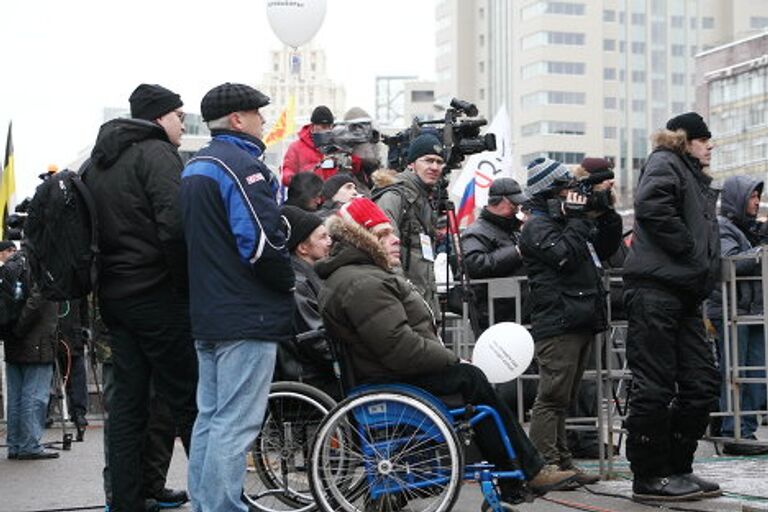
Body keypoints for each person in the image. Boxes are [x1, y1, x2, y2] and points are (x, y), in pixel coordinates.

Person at [316, 197, 578, 506]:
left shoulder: (360, 277)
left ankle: (519, 474)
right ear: (363, 239)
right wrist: (451, 358)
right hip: (390, 378)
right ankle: (525, 471)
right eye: (384, 234)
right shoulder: (363, 283)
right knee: (471, 379)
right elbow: (399, 347)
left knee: (470, 380)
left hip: (385, 372)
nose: (396, 238)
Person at [180, 82, 295, 512]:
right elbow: (262, 241)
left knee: (209, 418)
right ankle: (222, 507)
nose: (264, 121)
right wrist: (287, 280)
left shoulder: (195, 166)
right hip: (246, 314)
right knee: (236, 422)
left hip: (208, 311)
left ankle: (206, 504)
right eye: (259, 113)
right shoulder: (241, 166)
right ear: (238, 119)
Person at [84, 83, 198, 511]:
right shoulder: (157, 155)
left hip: (114, 296)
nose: (183, 125)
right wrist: (184, 287)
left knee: (127, 407)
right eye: (179, 117)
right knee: (188, 399)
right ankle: (215, 495)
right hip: (158, 295)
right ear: (157, 117)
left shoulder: (98, 163)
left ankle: (126, 501)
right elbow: (174, 226)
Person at [622, 112, 721, 501]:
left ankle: (678, 466)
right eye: (704, 139)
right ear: (686, 140)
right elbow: (652, 207)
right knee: (655, 386)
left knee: (702, 383)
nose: (710, 145)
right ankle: (649, 475)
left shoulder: (691, 174)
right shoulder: (666, 162)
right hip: (655, 291)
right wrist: (692, 252)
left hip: (683, 293)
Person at [519, 157, 620, 486]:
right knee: (551, 396)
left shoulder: (564, 220)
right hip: (558, 321)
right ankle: (542, 466)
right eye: (565, 189)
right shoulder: (536, 225)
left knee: (565, 396)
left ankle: (562, 461)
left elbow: (603, 248)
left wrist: (604, 215)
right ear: (548, 192)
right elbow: (564, 257)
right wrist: (577, 220)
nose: (571, 195)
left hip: (577, 317)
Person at [707, 175, 768, 456]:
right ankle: (733, 431)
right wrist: (761, 251)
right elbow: (730, 265)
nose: (757, 202)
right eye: (753, 197)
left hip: (752, 311)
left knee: (755, 373)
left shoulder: (747, 229)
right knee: (734, 373)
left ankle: (745, 430)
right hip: (731, 311)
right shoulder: (722, 228)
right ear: (739, 198)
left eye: (758, 197)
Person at [374, 134, 444, 315]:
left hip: (421, 302)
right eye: (428, 160)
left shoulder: (424, 199)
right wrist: (405, 297)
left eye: (439, 162)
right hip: (402, 304)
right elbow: (385, 252)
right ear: (411, 164)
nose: (435, 167)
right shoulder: (395, 196)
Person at [3, 246, 59, 460]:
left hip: (12, 339)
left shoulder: (12, 264)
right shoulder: (42, 263)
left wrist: (13, 329)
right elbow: (38, 300)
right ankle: (29, 444)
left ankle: (15, 444)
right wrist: (21, 326)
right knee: (34, 395)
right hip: (36, 339)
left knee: (15, 396)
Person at [276, 205, 337, 397]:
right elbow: (315, 340)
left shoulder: (310, 276)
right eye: (322, 237)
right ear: (302, 247)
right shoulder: (298, 284)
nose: (329, 242)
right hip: (310, 378)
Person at [281, 105, 362, 185]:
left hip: (335, 195)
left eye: (330, 127)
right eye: (323, 127)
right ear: (313, 126)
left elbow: (356, 168)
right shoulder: (296, 147)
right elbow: (287, 172)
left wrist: (349, 159)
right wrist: (301, 180)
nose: (327, 130)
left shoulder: (338, 146)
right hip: (308, 195)